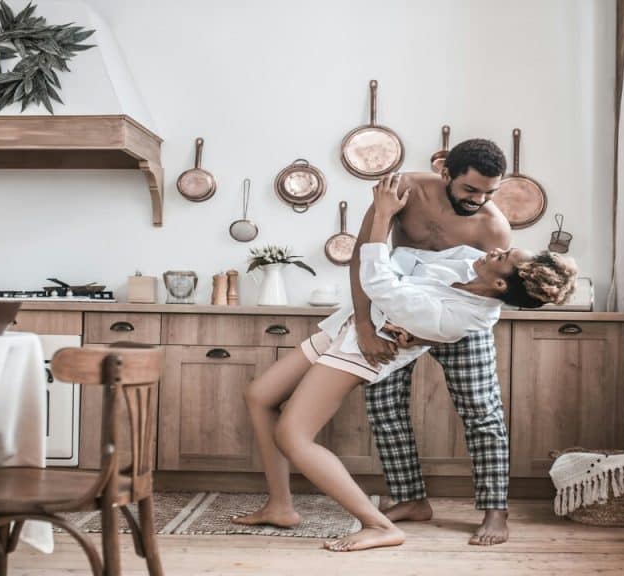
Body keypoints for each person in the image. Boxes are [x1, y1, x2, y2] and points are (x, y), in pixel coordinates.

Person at [233, 174, 577, 552]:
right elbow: (407, 262)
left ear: (499, 285)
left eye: (502, 257)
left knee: (292, 435)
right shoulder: (469, 264)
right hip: (348, 327)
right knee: (259, 395)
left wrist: (383, 215)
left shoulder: (465, 315)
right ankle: (281, 506)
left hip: (363, 349)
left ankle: (378, 526)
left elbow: (380, 283)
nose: (495, 250)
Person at [354, 140, 519, 545]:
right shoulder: (403, 189)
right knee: (383, 403)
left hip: (458, 317)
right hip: (400, 309)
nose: (478, 200)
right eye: (470, 189)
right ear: (446, 173)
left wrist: (428, 333)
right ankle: (411, 499)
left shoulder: (494, 227)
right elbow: (364, 255)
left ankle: (495, 511)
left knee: (482, 410)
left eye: (489, 192)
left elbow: (491, 297)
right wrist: (363, 325)